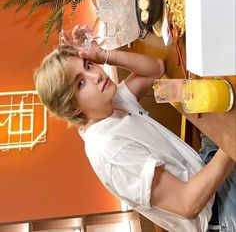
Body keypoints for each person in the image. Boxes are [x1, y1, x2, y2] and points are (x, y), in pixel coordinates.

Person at [34, 39, 236, 231]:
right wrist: (229, 139)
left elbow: (155, 69)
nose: (95, 76)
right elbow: (188, 204)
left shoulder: (109, 105)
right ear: (72, 108)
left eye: (88, 66)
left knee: (223, 69)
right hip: (219, 215)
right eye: (80, 83)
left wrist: (104, 55)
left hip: (205, 171)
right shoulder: (110, 150)